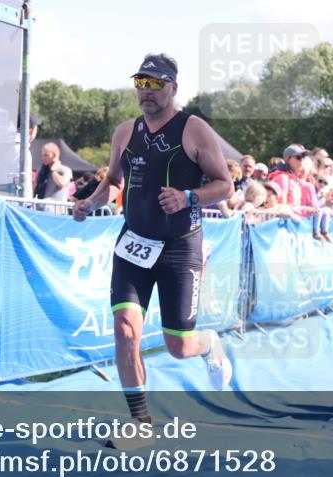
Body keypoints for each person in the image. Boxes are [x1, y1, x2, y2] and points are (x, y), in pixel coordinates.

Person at [71, 53, 234, 426]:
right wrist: (90, 203)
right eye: (141, 83)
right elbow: (113, 181)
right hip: (134, 245)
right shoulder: (125, 132)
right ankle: (140, 423)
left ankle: (209, 344)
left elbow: (225, 185)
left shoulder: (194, 129)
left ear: (173, 88)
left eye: (155, 84)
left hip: (180, 246)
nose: (147, 91)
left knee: (179, 347)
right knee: (125, 331)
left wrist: (188, 197)